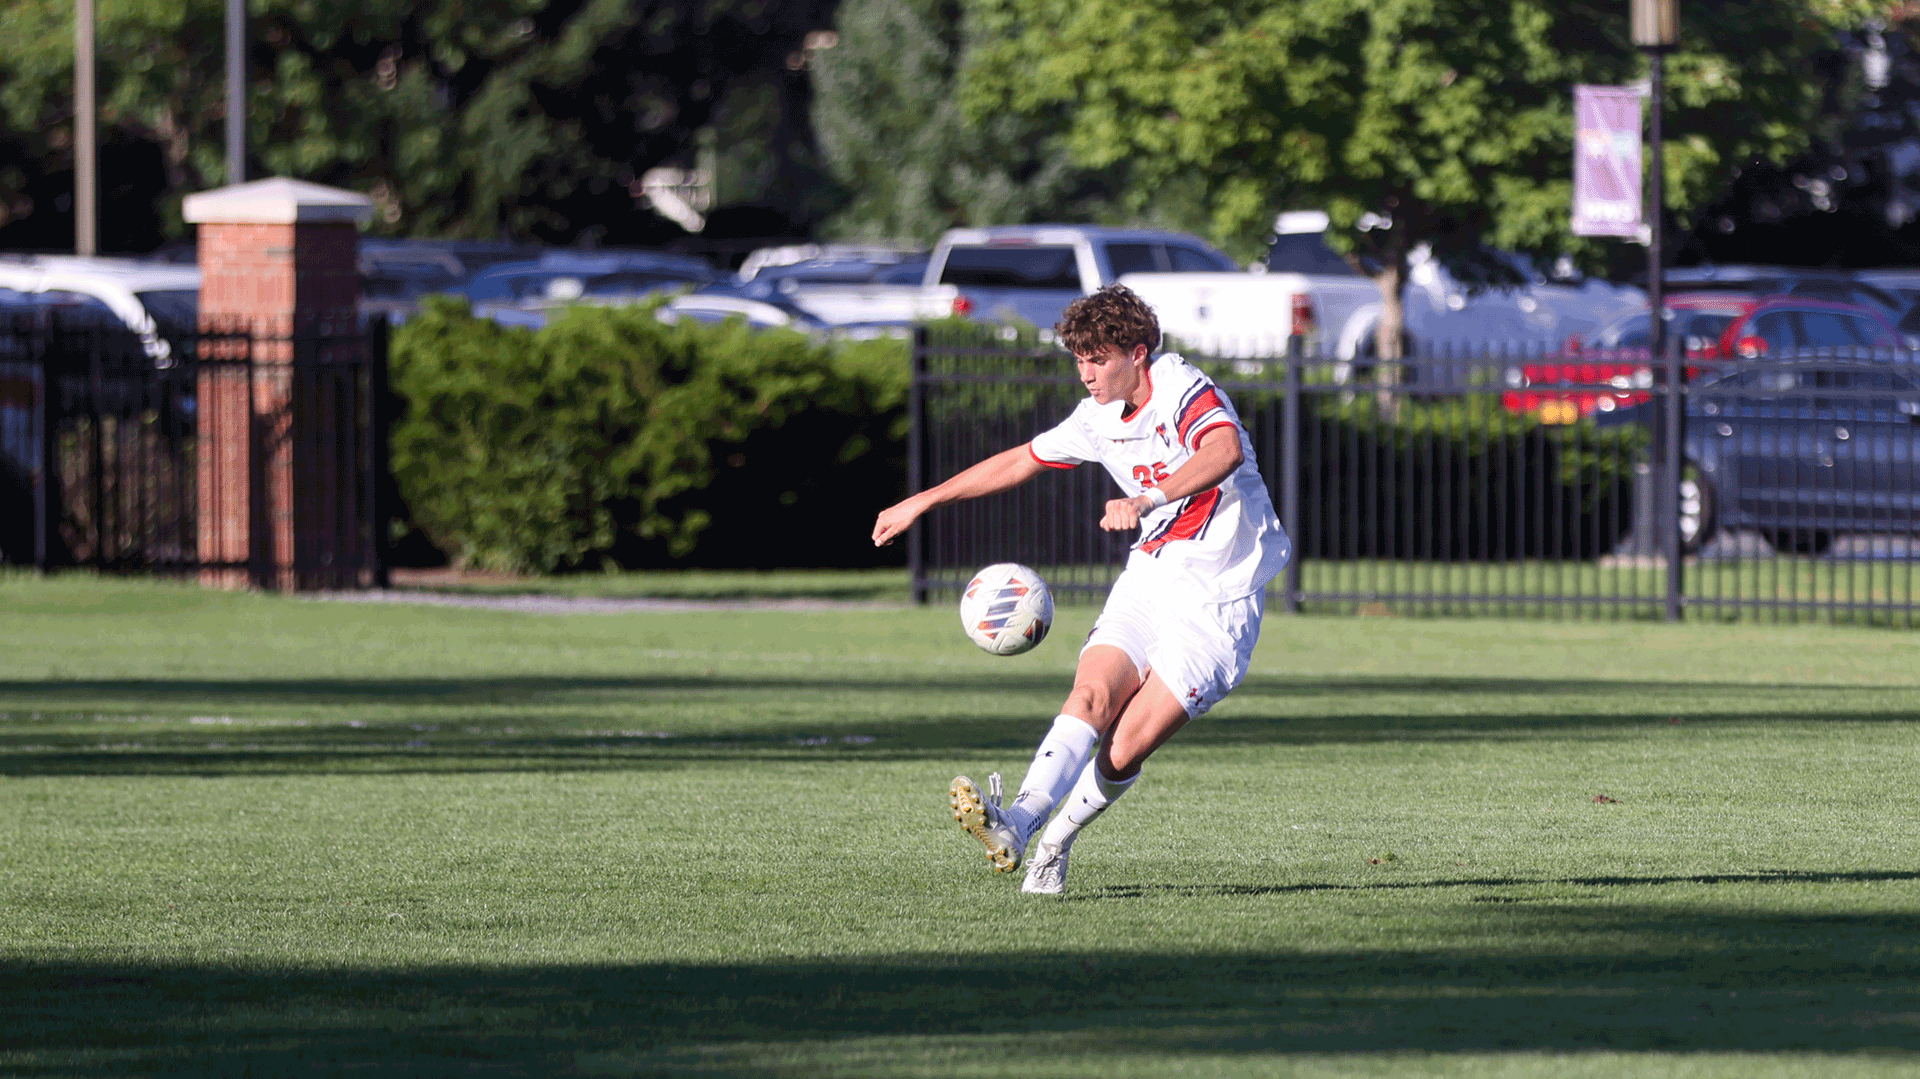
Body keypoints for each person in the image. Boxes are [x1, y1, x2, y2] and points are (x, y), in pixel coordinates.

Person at [870, 284, 1291, 895]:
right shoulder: (1095, 419)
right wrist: (922, 500)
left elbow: (1221, 449)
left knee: (1123, 748)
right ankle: (1014, 823)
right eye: (1078, 359)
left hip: (1218, 600)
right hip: (1150, 576)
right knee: (1092, 693)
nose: (1086, 374)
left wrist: (1147, 498)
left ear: (1138, 354)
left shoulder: (1181, 387)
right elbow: (1020, 460)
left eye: (1098, 359)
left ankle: (1055, 842)